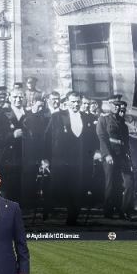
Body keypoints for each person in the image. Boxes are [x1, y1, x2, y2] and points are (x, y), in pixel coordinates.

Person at [42, 91, 100, 225]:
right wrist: (45, 158)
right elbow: (47, 138)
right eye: (73, 101)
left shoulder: (88, 117)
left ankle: (73, 216)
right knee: (58, 187)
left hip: (81, 160)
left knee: (79, 188)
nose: (76, 104)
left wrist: (97, 151)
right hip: (61, 159)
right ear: (67, 102)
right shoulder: (57, 116)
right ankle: (58, 209)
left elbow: (93, 138)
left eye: (78, 102)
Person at [96, 95, 134, 219]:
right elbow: (102, 138)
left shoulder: (123, 124)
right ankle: (108, 211)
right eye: (115, 105)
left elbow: (126, 143)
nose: (117, 108)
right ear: (110, 105)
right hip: (110, 156)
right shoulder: (103, 120)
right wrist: (106, 154)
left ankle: (124, 210)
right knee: (111, 184)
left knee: (128, 182)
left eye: (119, 106)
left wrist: (128, 158)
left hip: (122, 157)